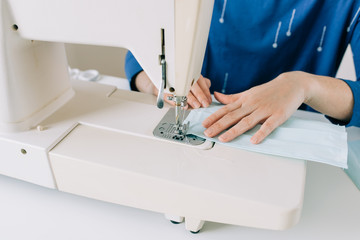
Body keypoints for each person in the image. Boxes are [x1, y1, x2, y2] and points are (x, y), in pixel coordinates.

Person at [125, 0, 360, 144]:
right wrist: (157, 82)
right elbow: (142, 54)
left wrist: (304, 86)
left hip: (286, 137)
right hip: (195, 112)